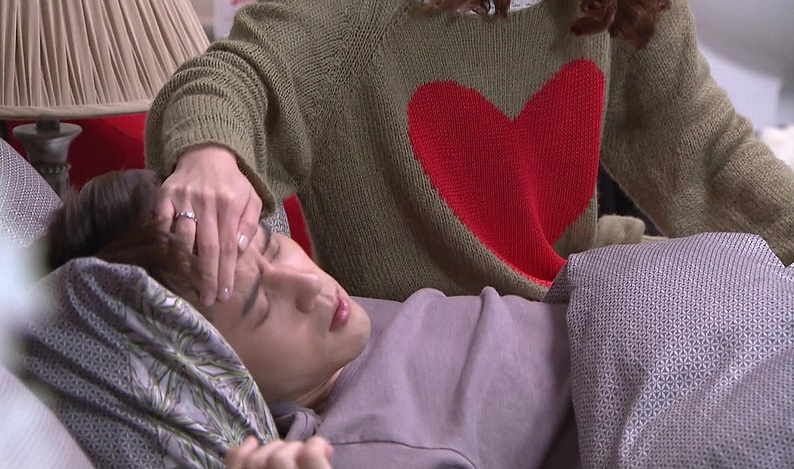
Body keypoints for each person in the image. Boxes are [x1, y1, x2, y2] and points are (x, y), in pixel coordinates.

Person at [145, 0, 794, 307]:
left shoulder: (622, 6)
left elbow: (707, 152)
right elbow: (234, 77)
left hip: (585, 293)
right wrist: (210, 154)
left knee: (751, 309)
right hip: (436, 337)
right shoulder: (356, 14)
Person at [42, 169, 575, 468]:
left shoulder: (337, 345)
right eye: (261, 306)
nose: (309, 286)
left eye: (273, 248)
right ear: (222, 370)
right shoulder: (360, 445)